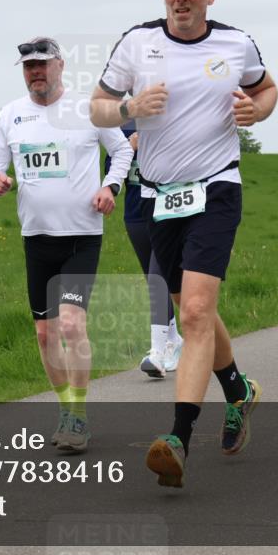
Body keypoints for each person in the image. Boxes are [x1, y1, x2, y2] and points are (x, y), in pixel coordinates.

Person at [90, 0, 278, 487]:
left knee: (195, 312)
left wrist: (257, 111)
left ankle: (177, 437)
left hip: (217, 187)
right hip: (159, 196)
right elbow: (96, 109)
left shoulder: (235, 43)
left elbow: (267, 88)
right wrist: (129, 107)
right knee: (189, 308)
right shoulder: (136, 43)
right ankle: (237, 389)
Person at [0, 37, 133, 452]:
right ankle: (66, 409)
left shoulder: (88, 110)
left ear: (60, 66)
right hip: (37, 238)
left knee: (71, 323)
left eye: (42, 64)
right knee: (46, 333)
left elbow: (121, 152)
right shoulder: (11, 115)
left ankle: (80, 418)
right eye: (28, 66)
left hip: (81, 237)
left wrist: (110, 186)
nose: (35, 72)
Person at [106, 126, 184, 378]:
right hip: (135, 214)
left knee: (156, 278)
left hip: (167, 208)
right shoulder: (121, 128)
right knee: (155, 281)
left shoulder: (173, 119)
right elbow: (111, 169)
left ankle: (158, 352)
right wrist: (129, 148)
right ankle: (174, 339)